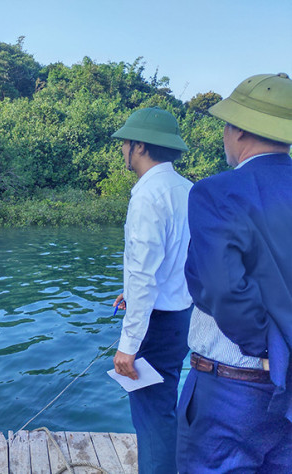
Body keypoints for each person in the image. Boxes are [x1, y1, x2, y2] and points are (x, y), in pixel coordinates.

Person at [177, 73, 292, 472]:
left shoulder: (216, 192)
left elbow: (219, 288)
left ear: (237, 129)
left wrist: (268, 350)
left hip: (231, 392)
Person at [111, 107, 194, 473]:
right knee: (164, 406)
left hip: (155, 324)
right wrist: (129, 289)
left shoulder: (148, 196)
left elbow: (145, 275)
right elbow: (178, 260)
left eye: (125, 143)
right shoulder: (188, 189)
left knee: (151, 415)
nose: (122, 150)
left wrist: (127, 346)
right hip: (181, 317)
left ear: (139, 146)